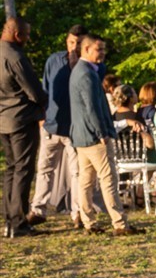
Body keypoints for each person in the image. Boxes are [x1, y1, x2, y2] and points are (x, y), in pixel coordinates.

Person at [69, 35, 144, 236]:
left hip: (82, 136)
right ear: (85, 49)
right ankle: (119, 223)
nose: (102, 53)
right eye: (98, 49)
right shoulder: (86, 74)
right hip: (94, 136)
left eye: (103, 49)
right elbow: (92, 108)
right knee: (108, 178)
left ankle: (88, 222)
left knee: (86, 180)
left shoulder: (79, 71)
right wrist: (102, 132)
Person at [30, 24, 88, 226]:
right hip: (51, 124)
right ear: (66, 41)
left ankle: (78, 213)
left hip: (75, 127)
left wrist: (75, 64)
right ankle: (38, 209)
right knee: (44, 168)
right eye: (72, 42)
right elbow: (44, 89)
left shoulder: (87, 65)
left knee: (77, 172)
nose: (74, 47)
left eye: (79, 43)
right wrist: (42, 118)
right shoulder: (53, 60)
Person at [1, 17, 47, 238]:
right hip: (21, 119)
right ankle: (18, 223)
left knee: (11, 169)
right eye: (27, 35)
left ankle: (9, 220)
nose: (28, 39)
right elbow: (34, 90)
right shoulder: (15, 56)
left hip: (3, 120)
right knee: (23, 170)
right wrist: (44, 104)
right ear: (17, 34)